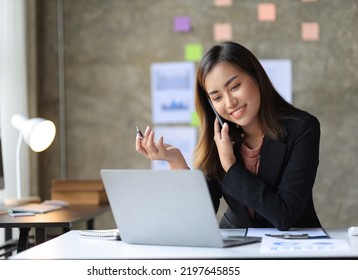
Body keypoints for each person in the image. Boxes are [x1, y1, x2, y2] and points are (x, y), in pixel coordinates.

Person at [135, 41, 322, 230]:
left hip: (295, 247)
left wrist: (231, 167)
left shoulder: (303, 128)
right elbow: (196, 219)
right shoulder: (220, 139)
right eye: (217, 97)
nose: (230, 102)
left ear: (256, 76)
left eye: (234, 86)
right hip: (239, 247)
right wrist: (175, 162)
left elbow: (284, 215)